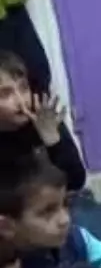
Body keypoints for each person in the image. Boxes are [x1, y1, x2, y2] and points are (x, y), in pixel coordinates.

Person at [0, 50, 85, 191]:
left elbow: (76, 181)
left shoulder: (44, 121)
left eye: (24, 88)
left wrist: (53, 141)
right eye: (5, 94)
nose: (21, 101)